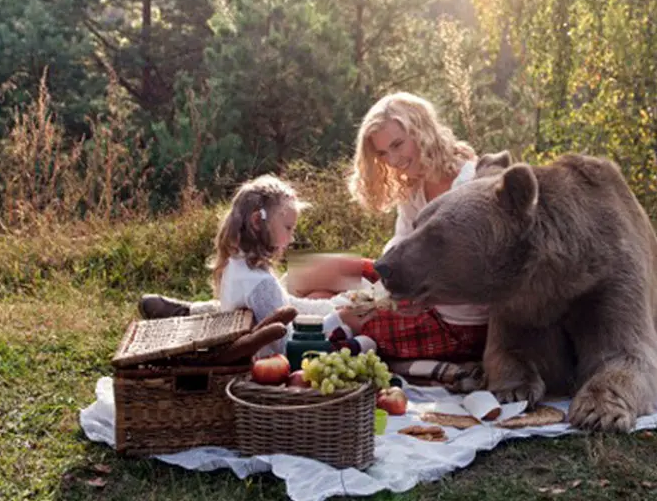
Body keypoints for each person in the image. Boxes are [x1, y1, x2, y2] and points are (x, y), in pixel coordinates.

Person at [290, 92, 489, 362]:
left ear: (422, 132)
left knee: (342, 315)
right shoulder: (414, 185)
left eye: (397, 145)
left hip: (453, 320)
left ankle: (284, 328)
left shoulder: (468, 185)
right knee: (307, 272)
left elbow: (467, 277)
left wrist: (370, 300)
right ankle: (273, 304)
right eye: (383, 153)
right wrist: (372, 287)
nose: (393, 161)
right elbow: (400, 243)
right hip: (407, 287)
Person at [138, 175, 346, 357]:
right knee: (360, 338)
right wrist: (338, 320)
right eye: (288, 228)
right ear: (258, 221)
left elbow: (285, 304)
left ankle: (188, 311)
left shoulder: (238, 263)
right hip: (267, 365)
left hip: (261, 351)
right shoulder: (261, 284)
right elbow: (287, 345)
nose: (292, 238)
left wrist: (333, 306)